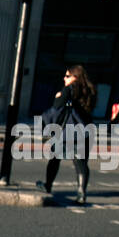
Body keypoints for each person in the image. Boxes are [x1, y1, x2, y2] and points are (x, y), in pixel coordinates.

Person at [36, 64, 95, 205]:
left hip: (69, 131)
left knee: (55, 159)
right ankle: (82, 193)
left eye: (67, 76)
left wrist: (58, 96)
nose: (64, 78)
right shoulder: (90, 91)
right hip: (86, 130)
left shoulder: (69, 89)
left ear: (75, 77)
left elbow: (57, 106)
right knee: (80, 164)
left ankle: (48, 185)